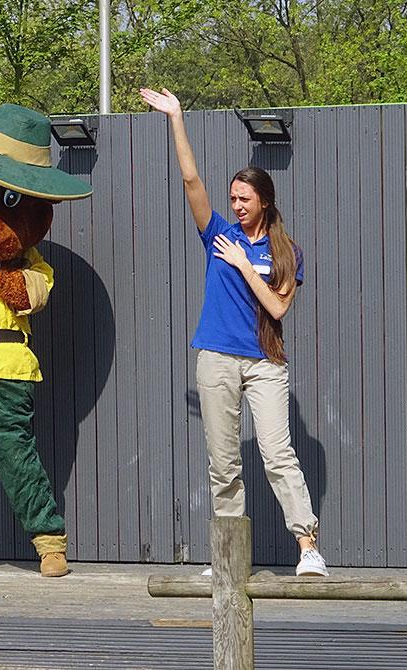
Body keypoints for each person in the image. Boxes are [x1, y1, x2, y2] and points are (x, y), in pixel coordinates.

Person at [139, 87, 329, 577]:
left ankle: (308, 547)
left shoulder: (288, 252)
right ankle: (228, 556)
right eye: (232, 199)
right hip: (216, 357)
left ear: (264, 201)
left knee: (277, 454)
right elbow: (189, 178)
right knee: (223, 462)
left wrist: (246, 267)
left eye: (244, 199)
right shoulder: (217, 233)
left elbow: (278, 309)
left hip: (265, 363)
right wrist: (176, 117)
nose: (236, 205)